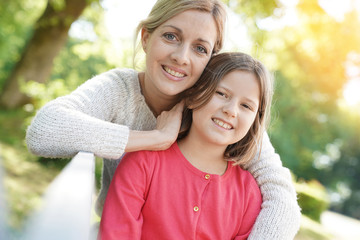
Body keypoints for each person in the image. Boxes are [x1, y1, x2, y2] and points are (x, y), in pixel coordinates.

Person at [25, 0, 300, 239]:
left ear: (211, 64)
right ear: (146, 38)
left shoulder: (223, 114)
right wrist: (155, 138)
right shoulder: (120, 90)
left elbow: (282, 199)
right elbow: (44, 131)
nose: (181, 57)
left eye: (200, 49)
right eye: (171, 36)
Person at [99, 52, 272, 239]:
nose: (231, 111)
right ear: (193, 94)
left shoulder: (249, 194)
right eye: (221, 94)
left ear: (256, 120)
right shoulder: (142, 164)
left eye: (246, 106)